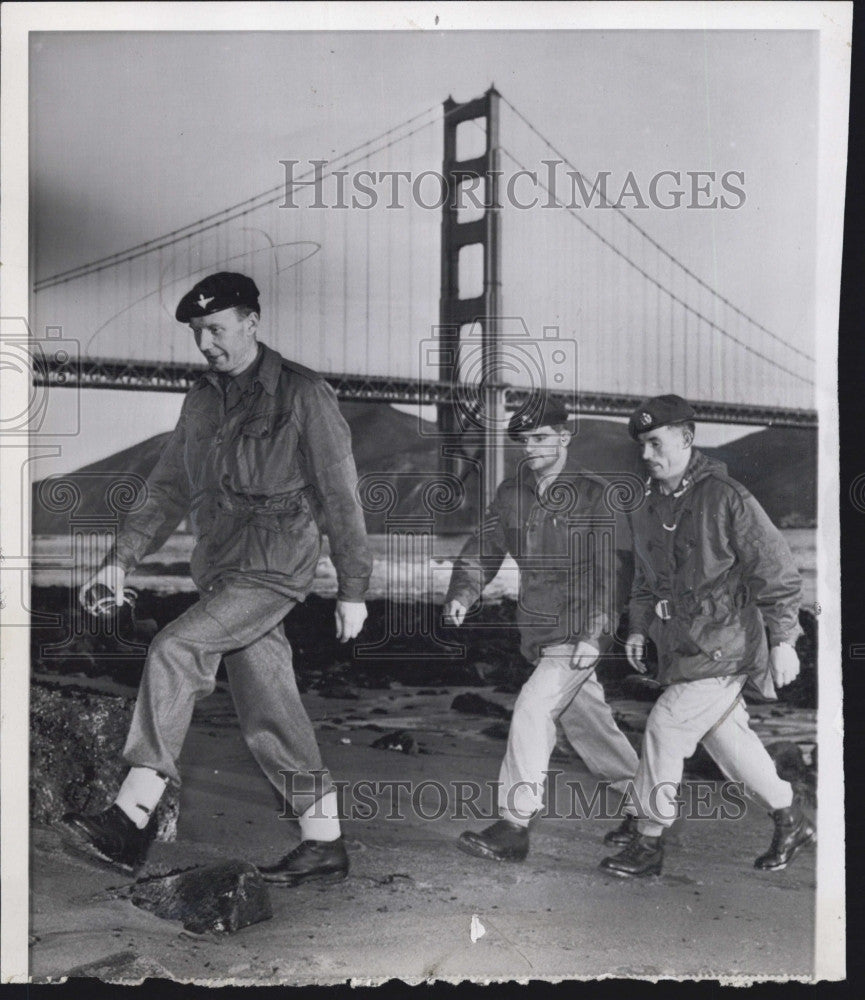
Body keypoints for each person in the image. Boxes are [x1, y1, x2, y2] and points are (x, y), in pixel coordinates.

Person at [59, 272, 372, 886]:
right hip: (222, 568)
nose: (205, 344)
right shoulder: (202, 399)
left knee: (175, 648)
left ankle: (133, 815)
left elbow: (341, 496)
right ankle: (324, 841)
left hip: (277, 566)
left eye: (216, 329)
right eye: (197, 332)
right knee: (269, 705)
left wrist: (353, 587)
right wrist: (119, 559)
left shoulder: (304, 394)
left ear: (252, 323)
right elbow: (169, 485)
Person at [599, 394, 815, 878]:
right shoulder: (650, 507)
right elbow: (645, 581)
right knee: (727, 740)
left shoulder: (727, 498)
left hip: (727, 646)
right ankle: (790, 816)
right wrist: (637, 628)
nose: (646, 454)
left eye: (656, 442)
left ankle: (648, 840)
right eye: (642, 445)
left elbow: (777, 571)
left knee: (666, 725)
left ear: (687, 439)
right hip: (683, 650)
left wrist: (784, 640)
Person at [443, 394, 640, 861]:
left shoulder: (596, 495)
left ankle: (514, 825)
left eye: (540, 438)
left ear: (565, 436)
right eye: (523, 440)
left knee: (533, 707)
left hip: (578, 630)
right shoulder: (512, 494)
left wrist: (595, 634)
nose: (530, 448)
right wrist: (462, 593)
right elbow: (483, 548)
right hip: (538, 631)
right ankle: (645, 803)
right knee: (587, 721)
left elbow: (612, 571)